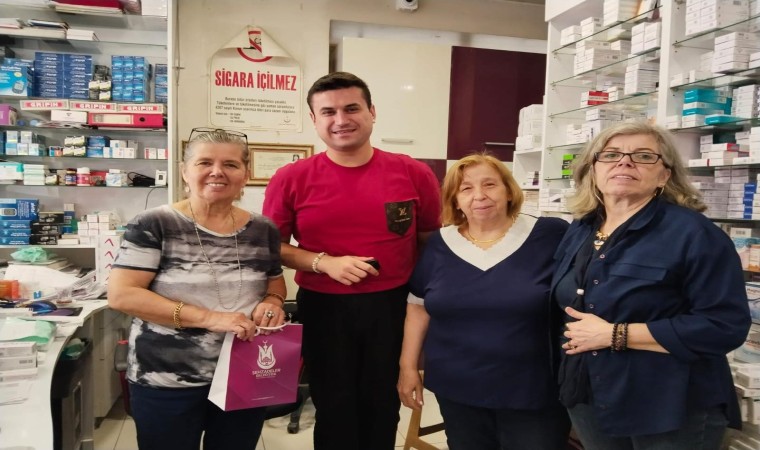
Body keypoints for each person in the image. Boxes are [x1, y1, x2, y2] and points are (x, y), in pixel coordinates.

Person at [262, 71, 441, 450]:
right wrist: (322, 262)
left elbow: (430, 241)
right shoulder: (291, 178)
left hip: (393, 307)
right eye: (328, 112)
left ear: (372, 111)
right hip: (324, 309)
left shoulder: (413, 172)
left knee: (383, 406)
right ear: (314, 120)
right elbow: (271, 248)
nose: (341, 120)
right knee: (334, 407)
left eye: (352, 108)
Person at [552, 121, 751, 449]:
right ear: (593, 169)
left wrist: (616, 334)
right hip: (588, 392)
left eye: (644, 156)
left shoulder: (695, 234)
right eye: (611, 155)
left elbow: (724, 326)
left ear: (664, 175)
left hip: (668, 406)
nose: (625, 162)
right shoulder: (581, 228)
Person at [107, 128, 287, 450]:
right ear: (184, 171)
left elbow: (274, 283)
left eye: (230, 164)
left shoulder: (263, 229)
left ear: (245, 174)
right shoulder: (154, 224)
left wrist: (272, 302)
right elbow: (123, 295)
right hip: (166, 378)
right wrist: (210, 318)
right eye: (205, 162)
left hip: (243, 372)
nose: (217, 172)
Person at [397, 153, 571, 450]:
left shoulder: (549, 234)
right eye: (466, 188)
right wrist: (407, 366)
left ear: (509, 191)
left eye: (490, 184)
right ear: (455, 200)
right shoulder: (440, 243)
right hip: (458, 387)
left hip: (532, 387)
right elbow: (418, 306)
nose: (479, 195)